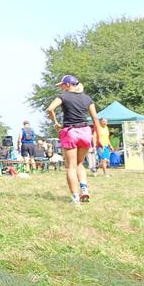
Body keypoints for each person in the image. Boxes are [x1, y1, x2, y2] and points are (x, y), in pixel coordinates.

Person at [47, 75, 100, 205]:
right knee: (79, 163)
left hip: (71, 132)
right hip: (85, 132)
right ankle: (84, 188)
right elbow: (94, 118)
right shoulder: (87, 98)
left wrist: (55, 122)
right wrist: (97, 136)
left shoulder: (63, 97)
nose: (62, 87)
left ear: (68, 85)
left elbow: (50, 109)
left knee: (70, 166)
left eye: (63, 85)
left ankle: (75, 198)